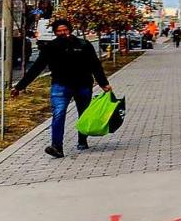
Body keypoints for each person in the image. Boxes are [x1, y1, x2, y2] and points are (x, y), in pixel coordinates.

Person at [11, 19, 114, 158]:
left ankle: (82, 140)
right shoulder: (50, 47)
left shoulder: (84, 45)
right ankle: (57, 147)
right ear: (55, 33)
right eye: (59, 31)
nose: (63, 33)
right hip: (60, 86)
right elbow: (37, 68)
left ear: (70, 30)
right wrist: (20, 87)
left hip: (83, 85)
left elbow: (95, 65)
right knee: (58, 114)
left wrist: (103, 84)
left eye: (65, 30)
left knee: (83, 113)